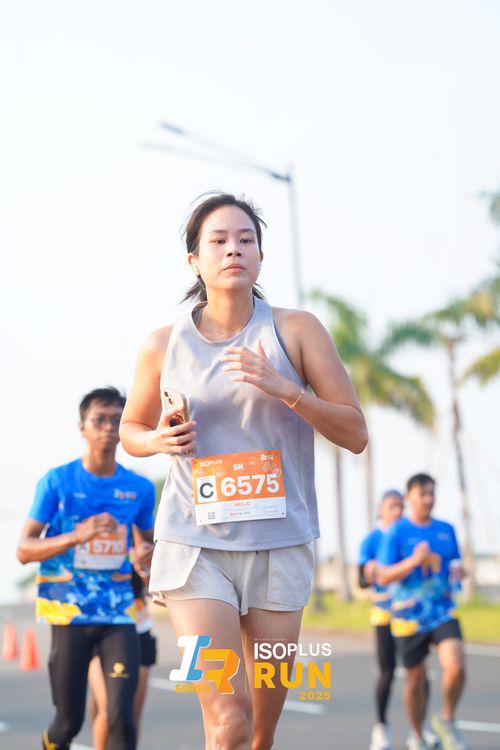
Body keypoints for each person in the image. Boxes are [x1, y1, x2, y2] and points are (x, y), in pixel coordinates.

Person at [119, 192, 368, 750]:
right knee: (227, 721)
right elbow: (130, 429)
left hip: (280, 548)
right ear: (194, 261)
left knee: (259, 730)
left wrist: (286, 388)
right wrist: (157, 439)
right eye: (219, 240)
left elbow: (355, 433)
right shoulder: (162, 345)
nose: (234, 249)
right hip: (193, 548)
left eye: (246, 239)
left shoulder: (296, 331)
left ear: (260, 256)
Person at [16, 387, 155, 750]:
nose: (109, 427)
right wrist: (78, 535)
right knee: (68, 723)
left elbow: (148, 547)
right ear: (82, 427)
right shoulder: (57, 481)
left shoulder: (139, 488)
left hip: (118, 612)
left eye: (117, 420)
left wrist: (146, 557)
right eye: (99, 419)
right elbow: (24, 550)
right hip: (69, 613)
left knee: (121, 716)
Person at [378, 473, 467, 750]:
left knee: (456, 667)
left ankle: (447, 719)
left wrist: (459, 574)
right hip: (408, 615)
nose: (428, 499)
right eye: (423, 494)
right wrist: (414, 560)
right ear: (409, 497)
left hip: (442, 610)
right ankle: (417, 735)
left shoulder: (446, 529)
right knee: (415, 680)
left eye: (432, 493)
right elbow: (383, 576)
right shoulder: (397, 532)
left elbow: (454, 567)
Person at [359, 490, 440, 750]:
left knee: (420, 672)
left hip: (410, 614)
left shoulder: (408, 534)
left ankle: (421, 726)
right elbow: (361, 580)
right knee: (387, 671)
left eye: (400, 506)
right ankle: (381, 728)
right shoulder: (372, 539)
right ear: (380, 509)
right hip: (384, 614)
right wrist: (371, 573)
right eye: (392, 506)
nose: (397, 511)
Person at [88, 566, 157, 749]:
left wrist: (144, 569)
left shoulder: (143, 547)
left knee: (131, 713)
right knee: (109, 708)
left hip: (139, 628)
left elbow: (155, 584)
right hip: (102, 628)